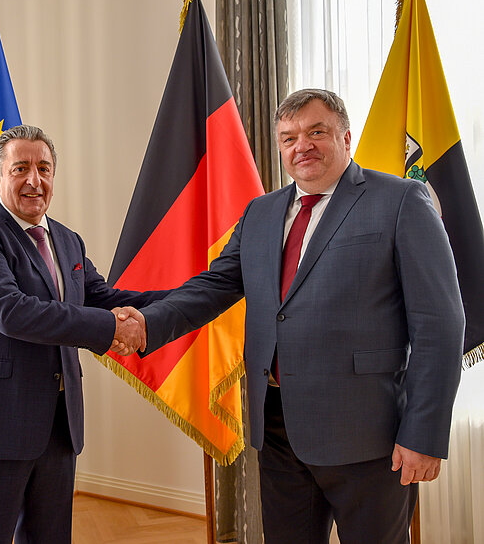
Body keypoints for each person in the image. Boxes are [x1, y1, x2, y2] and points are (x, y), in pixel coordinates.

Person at [114, 89, 465, 543]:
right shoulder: (261, 212)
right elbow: (215, 285)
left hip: (369, 436)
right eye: (289, 137)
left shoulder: (400, 201)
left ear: (345, 137)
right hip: (279, 429)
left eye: (317, 132)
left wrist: (424, 434)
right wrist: (147, 322)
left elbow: (440, 324)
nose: (302, 145)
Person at [0, 124, 165, 544]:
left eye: (43, 168)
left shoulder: (66, 239)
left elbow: (101, 298)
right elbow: (12, 313)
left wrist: (182, 302)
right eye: (20, 168)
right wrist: (112, 327)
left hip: (57, 428)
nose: (33, 179)